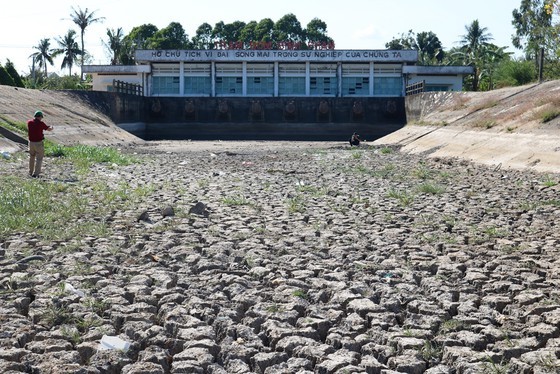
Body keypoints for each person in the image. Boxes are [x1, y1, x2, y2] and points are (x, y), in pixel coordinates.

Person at [27, 110, 53, 177]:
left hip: (31, 143)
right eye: (41, 117)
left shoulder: (29, 122)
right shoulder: (41, 124)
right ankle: (36, 174)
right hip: (38, 143)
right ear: (40, 117)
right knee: (39, 159)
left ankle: (30, 172)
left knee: (31, 157)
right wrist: (51, 127)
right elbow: (48, 129)